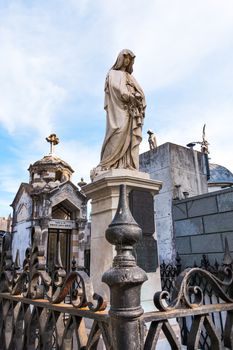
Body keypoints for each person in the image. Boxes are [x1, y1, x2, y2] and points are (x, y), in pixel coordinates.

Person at [99, 49, 146, 171]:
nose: (127, 61)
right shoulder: (113, 73)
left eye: (130, 59)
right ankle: (107, 164)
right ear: (120, 59)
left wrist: (138, 97)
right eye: (125, 58)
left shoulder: (131, 77)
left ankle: (127, 164)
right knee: (118, 131)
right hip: (119, 108)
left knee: (130, 137)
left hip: (131, 111)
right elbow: (115, 87)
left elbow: (140, 92)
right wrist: (128, 95)